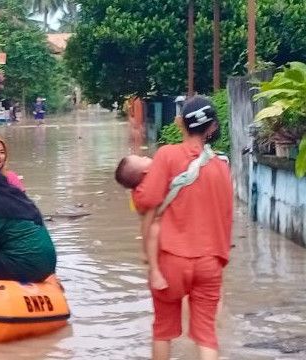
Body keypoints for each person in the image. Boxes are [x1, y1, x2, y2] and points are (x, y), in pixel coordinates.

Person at [133, 96, 233, 360]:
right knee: (206, 334)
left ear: (180, 123)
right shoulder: (222, 166)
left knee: (163, 331)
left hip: (171, 260)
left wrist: (150, 261)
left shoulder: (167, 155)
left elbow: (148, 203)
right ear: (211, 127)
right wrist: (219, 260)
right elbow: (226, 218)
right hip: (210, 261)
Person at [115, 154, 169, 291]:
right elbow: (146, 223)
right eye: (142, 159)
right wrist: (144, 249)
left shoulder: (141, 189)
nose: (145, 156)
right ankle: (154, 268)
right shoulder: (148, 190)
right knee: (153, 230)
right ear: (145, 172)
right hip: (155, 231)